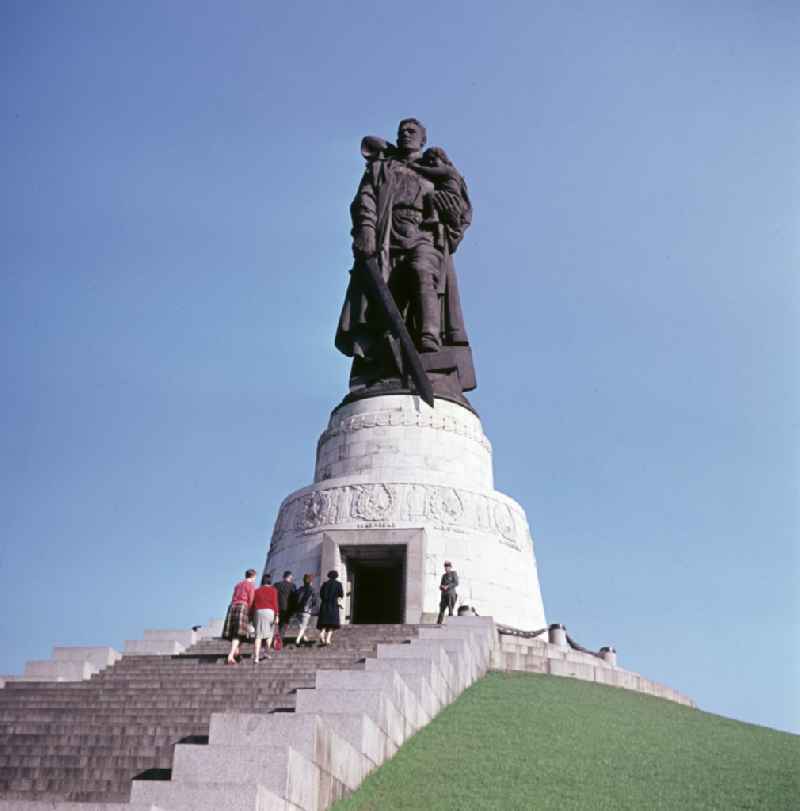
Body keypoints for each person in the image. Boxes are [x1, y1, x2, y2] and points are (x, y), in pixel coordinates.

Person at [336, 118, 475, 384]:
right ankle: (386, 354)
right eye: (402, 132)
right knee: (387, 294)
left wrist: (450, 211)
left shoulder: (435, 169)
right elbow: (365, 198)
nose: (406, 134)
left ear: (423, 139)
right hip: (387, 234)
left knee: (422, 270)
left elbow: (458, 210)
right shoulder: (383, 167)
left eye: (412, 131)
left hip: (422, 232)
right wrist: (366, 229)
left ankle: (429, 337)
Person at [222, 568, 257, 664]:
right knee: (238, 634)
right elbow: (251, 600)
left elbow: (233, 596)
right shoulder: (251, 585)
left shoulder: (238, 584)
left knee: (235, 632)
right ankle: (231, 655)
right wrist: (251, 613)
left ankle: (236, 652)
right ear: (253, 576)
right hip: (243, 606)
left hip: (233, 606)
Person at [251, 573, 278, 664]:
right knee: (269, 634)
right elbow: (275, 603)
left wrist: (251, 616)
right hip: (270, 612)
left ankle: (256, 657)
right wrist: (277, 615)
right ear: (270, 581)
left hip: (258, 612)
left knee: (258, 636)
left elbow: (253, 604)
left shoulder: (257, 591)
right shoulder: (273, 590)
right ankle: (266, 652)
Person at [317, 570, 344, 646]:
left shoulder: (324, 584)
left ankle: (322, 633)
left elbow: (321, 595)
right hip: (333, 605)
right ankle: (328, 639)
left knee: (324, 623)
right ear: (336, 576)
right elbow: (341, 594)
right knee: (333, 624)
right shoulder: (338, 584)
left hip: (324, 605)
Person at [293, 574, 318, 647]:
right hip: (306, 610)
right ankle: (298, 639)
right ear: (311, 582)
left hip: (298, 610)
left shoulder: (300, 589)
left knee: (301, 625)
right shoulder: (312, 590)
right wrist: (311, 607)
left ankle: (304, 637)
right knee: (304, 626)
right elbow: (314, 601)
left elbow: (295, 598)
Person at [274, 571, 296, 637]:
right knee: (284, 624)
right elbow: (294, 598)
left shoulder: (277, 585)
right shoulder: (292, 586)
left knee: (278, 624)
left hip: (278, 607)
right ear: (290, 577)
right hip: (288, 608)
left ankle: (277, 637)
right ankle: (280, 639)